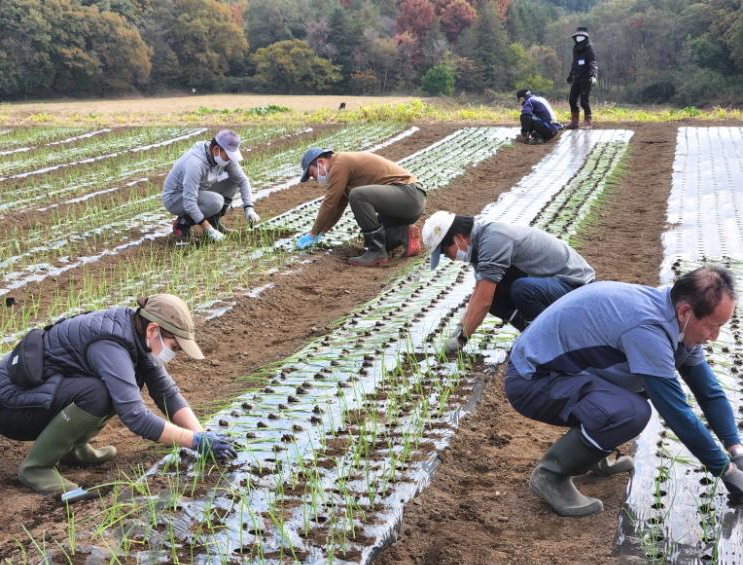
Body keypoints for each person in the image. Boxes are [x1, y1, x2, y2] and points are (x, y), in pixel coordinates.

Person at [505, 266, 743, 517]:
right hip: (532, 379)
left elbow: (708, 391)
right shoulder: (649, 329)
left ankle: (592, 453)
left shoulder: (676, 316)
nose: (715, 336)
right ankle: (551, 476)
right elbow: (677, 413)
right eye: (713, 326)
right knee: (631, 412)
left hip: (566, 370)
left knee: (637, 388)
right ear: (686, 312)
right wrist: (727, 472)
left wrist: (735, 450)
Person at [0, 294, 237, 496]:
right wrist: (194, 442)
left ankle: (73, 449)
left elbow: (166, 393)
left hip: (40, 395)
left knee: (120, 383)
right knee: (99, 393)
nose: (176, 353)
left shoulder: (136, 334)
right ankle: (37, 468)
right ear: (153, 330)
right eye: (175, 347)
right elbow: (135, 416)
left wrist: (203, 435)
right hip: (10, 407)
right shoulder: (111, 345)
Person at [422, 211, 595, 354]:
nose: (451, 259)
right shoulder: (479, 243)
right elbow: (479, 292)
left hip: (576, 287)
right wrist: (460, 327)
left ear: (458, 237)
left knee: (522, 290)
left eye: (446, 252)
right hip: (553, 285)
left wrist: (461, 339)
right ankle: (530, 333)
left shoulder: (493, 239)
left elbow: (482, 301)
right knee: (495, 297)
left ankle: (545, 341)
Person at [295, 147, 424, 267]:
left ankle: (377, 253)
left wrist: (313, 233)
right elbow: (338, 206)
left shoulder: (339, 163)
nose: (316, 179)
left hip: (409, 195)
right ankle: (404, 234)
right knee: (376, 238)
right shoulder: (341, 168)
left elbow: (330, 203)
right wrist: (322, 231)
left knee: (357, 195)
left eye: (313, 174)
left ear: (320, 162)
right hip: (410, 202)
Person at [162, 129, 260, 243]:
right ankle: (182, 225)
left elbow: (242, 180)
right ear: (216, 149)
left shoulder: (223, 157)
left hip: (200, 190)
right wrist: (207, 229)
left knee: (233, 180)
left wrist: (249, 208)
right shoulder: (195, 164)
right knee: (216, 201)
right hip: (176, 198)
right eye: (228, 156)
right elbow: (189, 201)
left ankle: (214, 221)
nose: (229, 159)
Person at [566, 26, 598, 130]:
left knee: (584, 101)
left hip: (586, 78)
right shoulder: (575, 49)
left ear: (585, 37)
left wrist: (593, 75)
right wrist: (571, 74)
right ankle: (574, 122)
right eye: (578, 36)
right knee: (572, 100)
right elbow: (574, 63)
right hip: (577, 77)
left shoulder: (589, 49)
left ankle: (588, 122)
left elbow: (592, 63)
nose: (579, 38)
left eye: (581, 36)